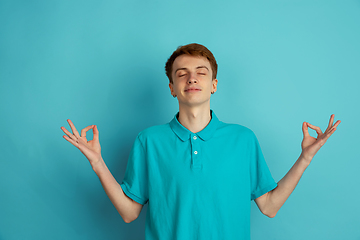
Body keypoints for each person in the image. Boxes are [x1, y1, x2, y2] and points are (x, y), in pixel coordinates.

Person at [61, 43, 341, 239]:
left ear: (214, 84)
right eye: (181, 73)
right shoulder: (149, 141)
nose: (191, 78)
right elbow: (128, 212)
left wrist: (305, 157)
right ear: (172, 87)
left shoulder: (243, 139)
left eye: (201, 72)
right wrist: (97, 162)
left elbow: (269, 206)